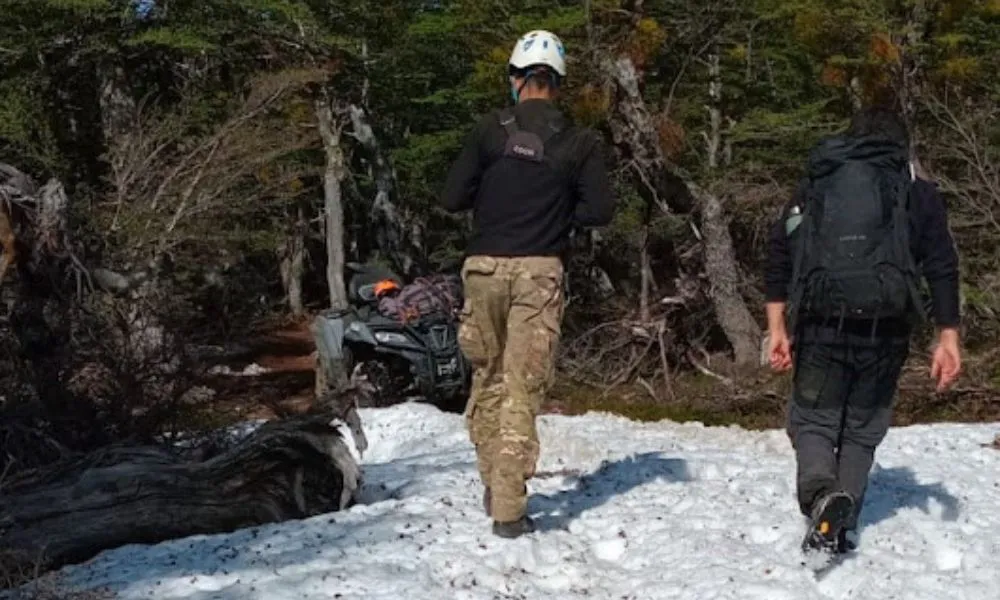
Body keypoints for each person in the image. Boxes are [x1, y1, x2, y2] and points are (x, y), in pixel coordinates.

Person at [764, 106, 962, 556]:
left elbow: (780, 250)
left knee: (813, 419)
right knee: (861, 428)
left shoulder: (819, 181)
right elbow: (941, 263)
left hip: (820, 322)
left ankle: (820, 494)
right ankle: (843, 515)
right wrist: (946, 334)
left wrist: (777, 325)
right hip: (887, 327)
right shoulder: (916, 190)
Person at [440, 29, 615, 538]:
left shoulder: (488, 132)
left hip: (483, 270)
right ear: (556, 84)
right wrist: (559, 215)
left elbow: (452, 198)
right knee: (523, 384)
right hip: (540, 272)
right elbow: (601, 210)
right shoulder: (579, 142)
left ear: (516, 80)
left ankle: (495, 484)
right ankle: (509, 509)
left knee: (488, 376)